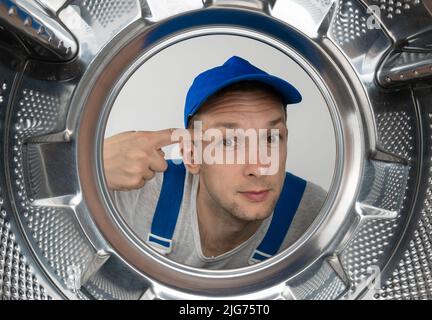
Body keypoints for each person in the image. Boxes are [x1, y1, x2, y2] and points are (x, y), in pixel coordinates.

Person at [104, 56, 327, 269]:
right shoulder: (134, 191)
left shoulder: (318, 216)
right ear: (191, 156)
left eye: (270, 138)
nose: (259, 168)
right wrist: (89, 166)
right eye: (229, 141)